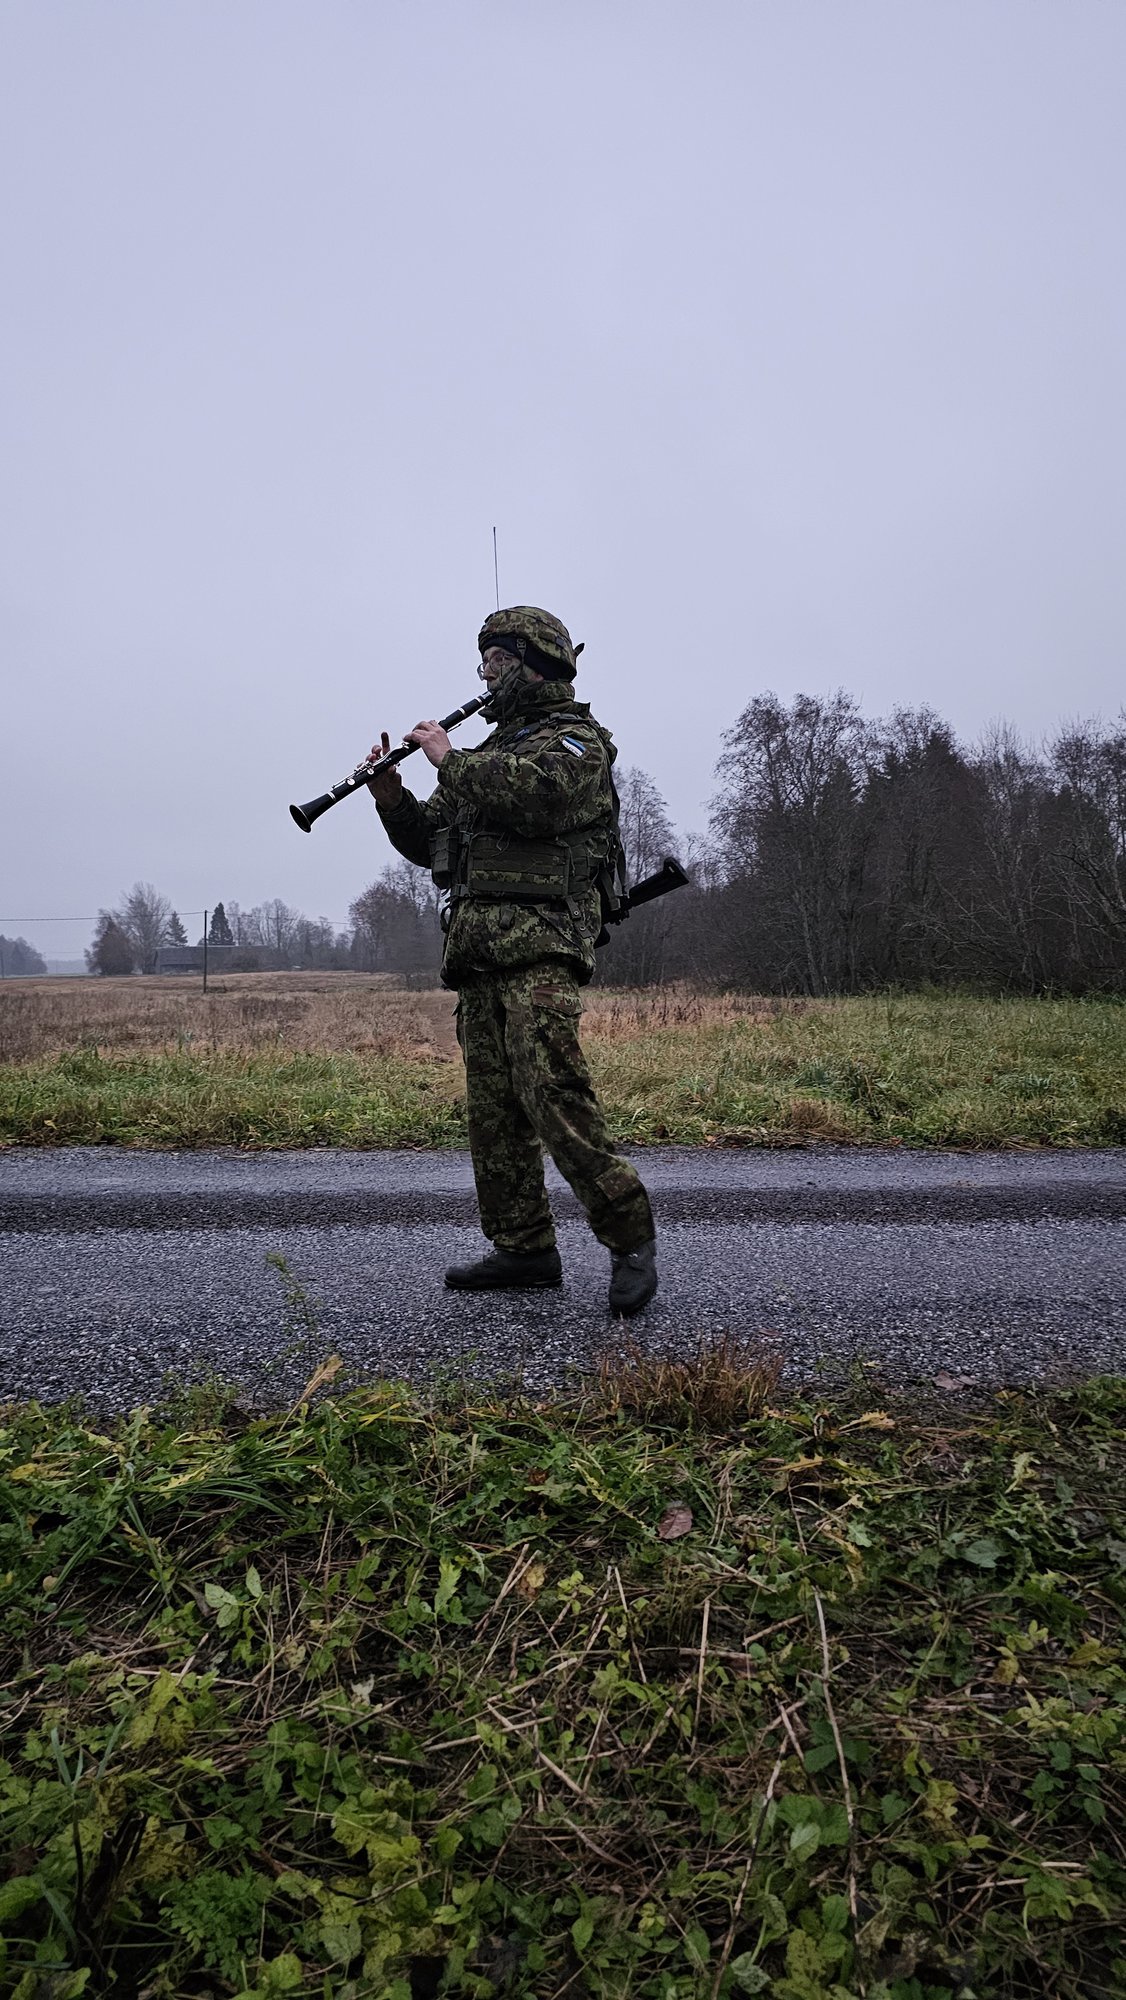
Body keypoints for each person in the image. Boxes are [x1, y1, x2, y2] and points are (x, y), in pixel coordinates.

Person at [366, 605, 658, 1316]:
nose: (483, 676)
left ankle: (630, 1238)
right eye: (482, 664)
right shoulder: (489, 752)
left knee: (553, 1094)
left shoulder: (577, 742)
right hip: (477, 955)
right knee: (493, 1115)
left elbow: (542, 799)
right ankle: (524, 1249)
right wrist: (392, 796)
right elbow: (433, 844)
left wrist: (448, 760)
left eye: (495, 663)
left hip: (540, 951)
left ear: (536, 663)